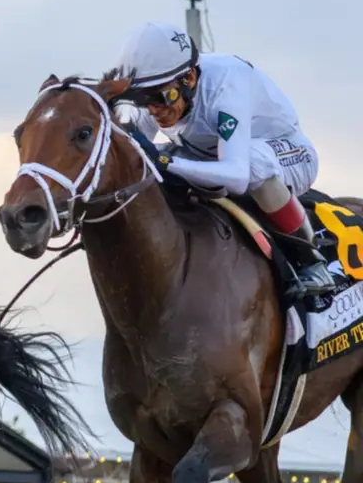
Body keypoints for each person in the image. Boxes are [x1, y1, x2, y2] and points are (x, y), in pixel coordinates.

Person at [115, 21, 335, 298]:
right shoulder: (158, 90)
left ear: (189, 79)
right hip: (214, 156)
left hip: (288, 155)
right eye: (141, 100)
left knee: (253, 163)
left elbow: (238, 176)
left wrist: (166, 162)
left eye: (160, 97)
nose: (153, 110)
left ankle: (311, 261)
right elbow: (132, 152)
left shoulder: (227, 83)